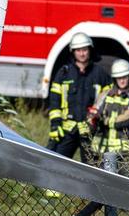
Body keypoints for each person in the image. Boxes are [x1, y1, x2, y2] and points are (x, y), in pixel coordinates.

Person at [47, 33, 110, 165]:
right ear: (73, 52)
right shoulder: (63, 73)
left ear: (90, 50)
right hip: (66, 130)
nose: (82, 54)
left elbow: (109, 99)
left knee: (92, 169)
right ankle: (52, 187)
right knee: (56, 165)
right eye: (78, 50)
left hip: (90, 130)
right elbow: (54, 102)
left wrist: (100, 118)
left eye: (85, 50)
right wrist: (55, 125)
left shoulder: (100, 73)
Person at [89, 60, 129, 159]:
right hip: (102, 148)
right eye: (119, 78)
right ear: (115, 79)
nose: (122, 81)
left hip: (124, 149)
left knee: (123, 174)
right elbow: (95, 110)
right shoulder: (105, 93)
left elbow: (128, 119)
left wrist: (105, 121)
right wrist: (93, 118)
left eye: (124, 77)